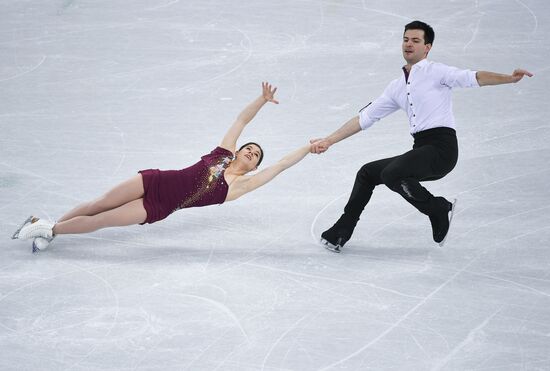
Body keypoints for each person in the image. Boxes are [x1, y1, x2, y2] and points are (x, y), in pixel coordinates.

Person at [310, 20, 533, 252]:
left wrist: (509, 78)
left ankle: (437, 209)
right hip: (421, 150)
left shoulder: (437, 72)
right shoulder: (396, 87)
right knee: (368, 173)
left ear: (427, 47)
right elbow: (364, 118)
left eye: (415, 41)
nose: (409, 44)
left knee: (392, 173)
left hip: (442, 150)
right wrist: (328, 140)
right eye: (406, 39)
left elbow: (474, 77)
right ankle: (341, 231)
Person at [13, 82, 311, 252]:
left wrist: (308, 148)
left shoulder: (238, 187)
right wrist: (260, 100)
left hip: (159, 206)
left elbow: (282, 165)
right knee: (98, 204)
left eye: (256, 155)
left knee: (103, 219)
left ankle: (47, 228)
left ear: (255, 167)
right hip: (154, 181)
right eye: (249, 147)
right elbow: (241, 121)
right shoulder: (222, 154)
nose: (250, 152)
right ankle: (50, 230)